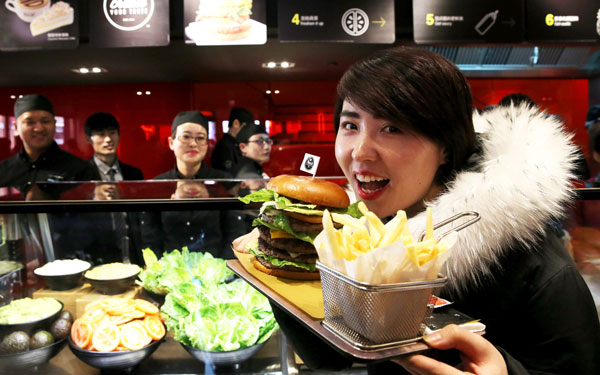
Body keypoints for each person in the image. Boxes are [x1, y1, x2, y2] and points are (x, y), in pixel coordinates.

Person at [256, 48, 600, 374]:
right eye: (350, 125)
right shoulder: (361, 232)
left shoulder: (533, 260)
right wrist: (273, 269)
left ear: (446, 149)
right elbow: (328, 356)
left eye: (392, 128)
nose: (359, 152)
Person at [140, 111, 245, 258]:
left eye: (200, 138)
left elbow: (235, 233)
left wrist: (225, 270)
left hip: (216, 271)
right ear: (171, 143)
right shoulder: (158, 184)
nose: (193, 143)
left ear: (207, 144)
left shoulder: (223, 182)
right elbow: (150, 238)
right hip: (171, 271)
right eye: (186, 137)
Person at [0, 94, 94, 198]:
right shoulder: (3, 171)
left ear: (54, 124)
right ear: (16, 127)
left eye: (45, 121)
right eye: (30, 122)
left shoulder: (80, 170)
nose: (39, 128)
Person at [84, 112, 144, 181]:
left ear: (119, 136)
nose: (108, 139)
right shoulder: (79, 176)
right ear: (88, 139)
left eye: (112, 133)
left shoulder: (135, 174)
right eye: (101, 134)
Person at [210, 107, 254, 173]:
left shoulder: (236, 144)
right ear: (236, 123)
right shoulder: (224, 146)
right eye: (246, 127)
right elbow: (229, 175)